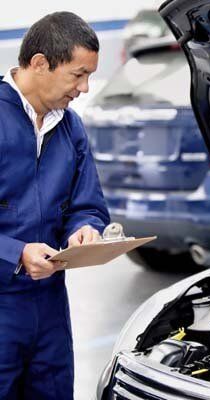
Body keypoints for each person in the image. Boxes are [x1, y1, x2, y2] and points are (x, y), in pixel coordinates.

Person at [0, 11, 110, 399]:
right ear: (40, 63)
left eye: (89, 76)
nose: (84, 88)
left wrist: (86, 228)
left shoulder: (70, 126)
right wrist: (14, 253)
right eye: (77, 75)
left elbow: (88, 203)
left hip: (49, 306)